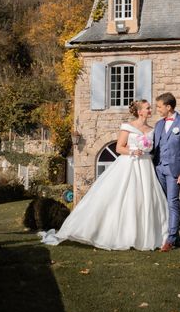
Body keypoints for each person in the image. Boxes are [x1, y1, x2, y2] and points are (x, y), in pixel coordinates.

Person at [39, 100, 169, 251]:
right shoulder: (128, 127)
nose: (150, 110)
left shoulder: (152, 129)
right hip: (129, 164)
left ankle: (145, 235)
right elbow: (119, 148)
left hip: (145, 165)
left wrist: (145, 151)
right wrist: (133, 151)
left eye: (150, 108)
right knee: (125, 197)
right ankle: (122, 235)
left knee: (145, 199)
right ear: (140, 111)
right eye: (147, 108)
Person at [153, 92, 180, 252]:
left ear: (168, 107)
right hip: (158, 168)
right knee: (162, 203)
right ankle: (174, 236)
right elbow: (154, 146)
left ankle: (170, 239)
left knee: (172, 202)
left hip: (175, 170)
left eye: (159, 106)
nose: (157, 109)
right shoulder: (158, 125)